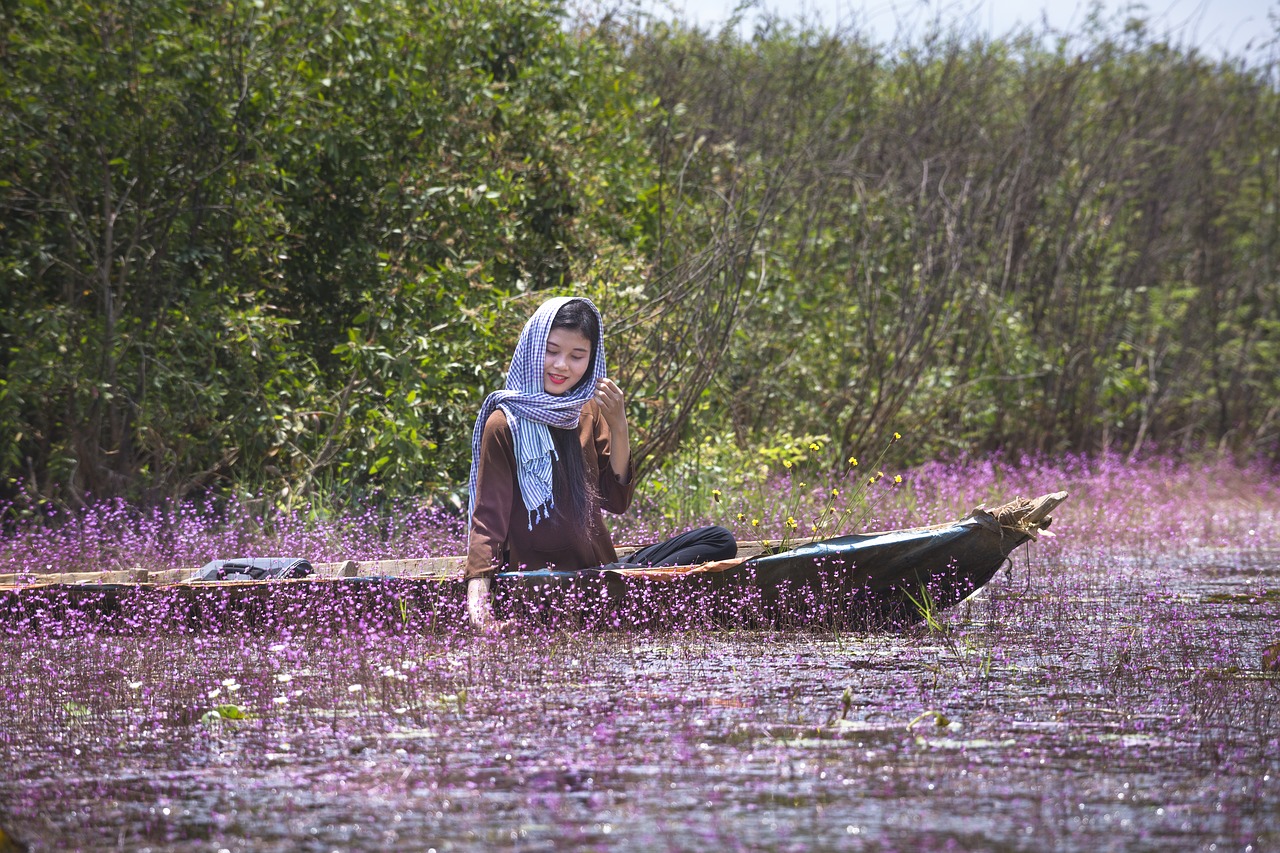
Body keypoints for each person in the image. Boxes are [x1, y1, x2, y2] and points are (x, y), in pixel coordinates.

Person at [465, 296, 736, 628]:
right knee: (591, 585)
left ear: (591, 360)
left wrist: (619, 425)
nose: (562, 365)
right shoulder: (504, 425)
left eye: (577, 356)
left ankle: (626, 592)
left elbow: (617, 499)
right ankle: (634, 599)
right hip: (544, 583)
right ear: (532, 347)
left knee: (720, 539)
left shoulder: (588, 410)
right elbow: (487, 522)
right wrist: (480, 611)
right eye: (550, 351)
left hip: (602, 571)